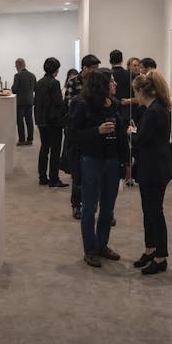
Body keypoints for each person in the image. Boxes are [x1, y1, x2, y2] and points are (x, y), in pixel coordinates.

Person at [68, 69, 130, 267]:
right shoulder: (82, 104)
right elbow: (73, 134)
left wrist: (126, 163)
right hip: (91, 160)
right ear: (101, 84)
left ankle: (102, 245)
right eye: (111, 82)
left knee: (108, 208)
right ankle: (90, 249)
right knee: (89, 207)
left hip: (112, 161)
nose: (115, 84)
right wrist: (97, 130)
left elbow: (121, 137)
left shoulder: (116, 105)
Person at [128, 71, 172, 275]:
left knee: (154, 212)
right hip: (154, 166)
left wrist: (132, 134)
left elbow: (142, 141)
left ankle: (160, 256)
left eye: (135, 92)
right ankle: (150, 250)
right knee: (149, 210)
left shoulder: (154, 112)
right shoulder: (157, 108)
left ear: (141, 91)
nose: (134, 97)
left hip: (154, 168)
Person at [63, 55, 100, 220]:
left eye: (96, 69)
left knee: (93, 173)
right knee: (78, 174)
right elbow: (69, 104)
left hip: (93, 132)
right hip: (78, 132)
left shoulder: (98, 81)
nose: (94, 72)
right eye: (92, 68)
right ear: (84, 68)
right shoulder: (73, 81)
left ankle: (91, 205)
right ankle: (76, 205)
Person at [34, 57, 68, 187]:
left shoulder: (39, 82)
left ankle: (42, 177)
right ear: (56, 69)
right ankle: (54, 178)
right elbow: (58, 102)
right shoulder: (54, 83)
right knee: (55, 150)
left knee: (44, 148)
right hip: (53, 122)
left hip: (41, 120)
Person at [11, 58, 37, 146]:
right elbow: (35, 88)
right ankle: (30, 139)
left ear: (19, 65)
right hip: (30, 101)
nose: (15, 68)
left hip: (20, 102)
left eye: (16, 65)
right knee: (29, 120)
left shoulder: (17, 76)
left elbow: (14, 89)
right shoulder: (32, 75)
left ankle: (21, 140)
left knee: (20, 121)